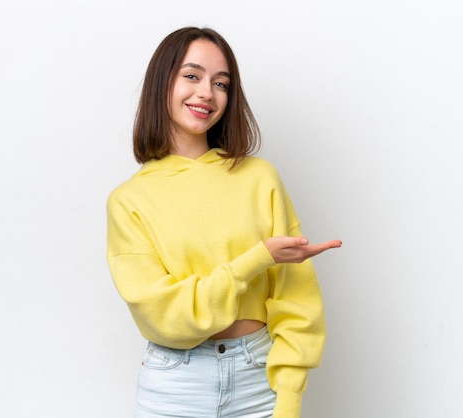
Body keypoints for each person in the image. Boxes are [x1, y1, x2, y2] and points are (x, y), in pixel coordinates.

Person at [106, 26, 342, 418]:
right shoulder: (129, 201)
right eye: (192, 76)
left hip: (258, 380)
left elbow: (296, 299)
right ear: (161, 82)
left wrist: (289, 396)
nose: (206, 93)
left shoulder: (259, 178)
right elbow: (164, 316)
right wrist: (257, 258)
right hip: (175, 386)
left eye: (221, 83)